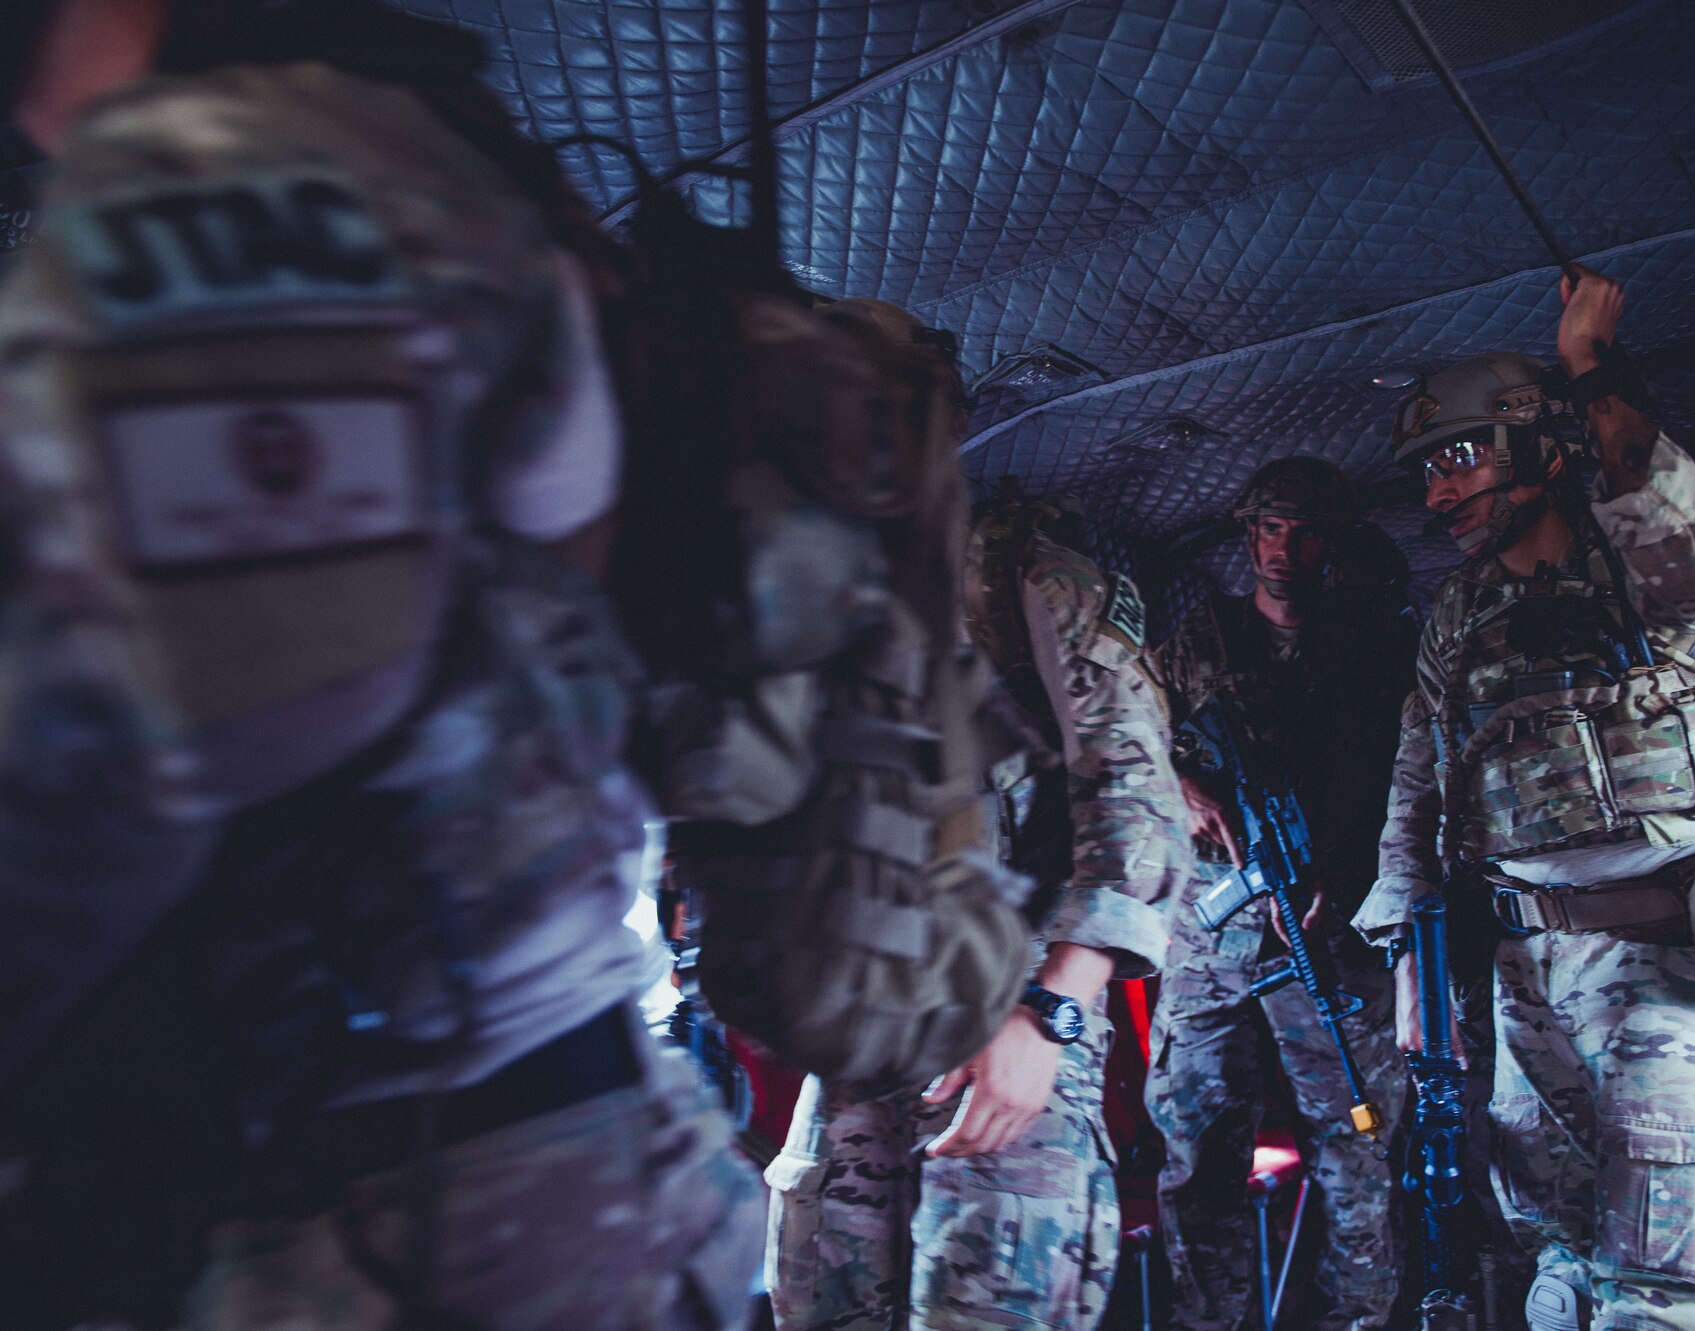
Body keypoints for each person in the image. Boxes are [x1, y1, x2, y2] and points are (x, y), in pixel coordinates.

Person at [0, 2, 762, 1326]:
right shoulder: (371, 162)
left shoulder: (233, 167)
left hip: (382, 1203)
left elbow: (182, 712)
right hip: (461, 1153)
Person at [1355, 270, 1695, 1331]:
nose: (1435, 493)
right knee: (1554, 1255)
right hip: (1525, 972)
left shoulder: (1646, 566)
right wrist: (1413, 971)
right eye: (1422, 472)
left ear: (1538, 447)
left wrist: (1593, 367)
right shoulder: (1461, 612)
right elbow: (1419, 782)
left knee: (1664, 1277)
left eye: (1456, 458)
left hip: (1669, 959)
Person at [762, 487, 1193, 1331]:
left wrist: (1053, 1013)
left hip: (1002, 1017)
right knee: (820, 1304)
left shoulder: (1019, 573)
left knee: (981, 1307)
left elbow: (1137, 796)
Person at [1145, 456, 1416, 1331]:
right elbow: (1118, 740)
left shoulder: (1372, 652)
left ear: (1330, 541)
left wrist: (1343, 873)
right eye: (1268, 527)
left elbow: (1405, 782)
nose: (1282, 548)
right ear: (1246, 533)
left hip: (1326, 936)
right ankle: (1205, 1319)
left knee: (1358, 1152)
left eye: (1302, 530)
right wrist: (1180, 786)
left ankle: (1361, 1319)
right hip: (1210, 940)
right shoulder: (1196, 642)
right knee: (1196, 1153)